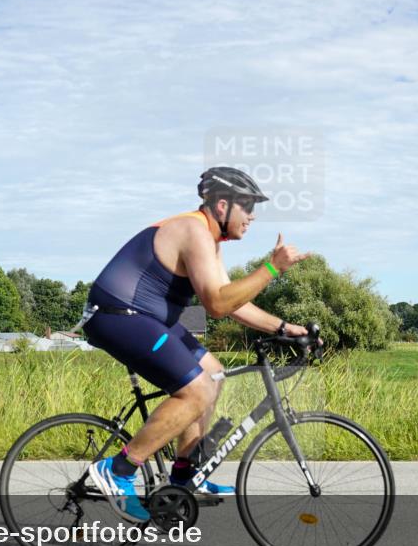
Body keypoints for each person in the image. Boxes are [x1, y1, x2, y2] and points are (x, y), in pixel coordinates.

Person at [83, 166, 311, 522]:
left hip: (147, 318)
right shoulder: (194, 231)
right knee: (196, 390)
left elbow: (232, 302)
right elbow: (217, 305)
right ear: (222, 205)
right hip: (118, 315)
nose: (252, 216)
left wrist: (284, 327)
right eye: (248, 206)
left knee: (213, 374)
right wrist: (271, 268)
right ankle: (119, 469)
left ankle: (184, 475)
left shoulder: (210, 241)